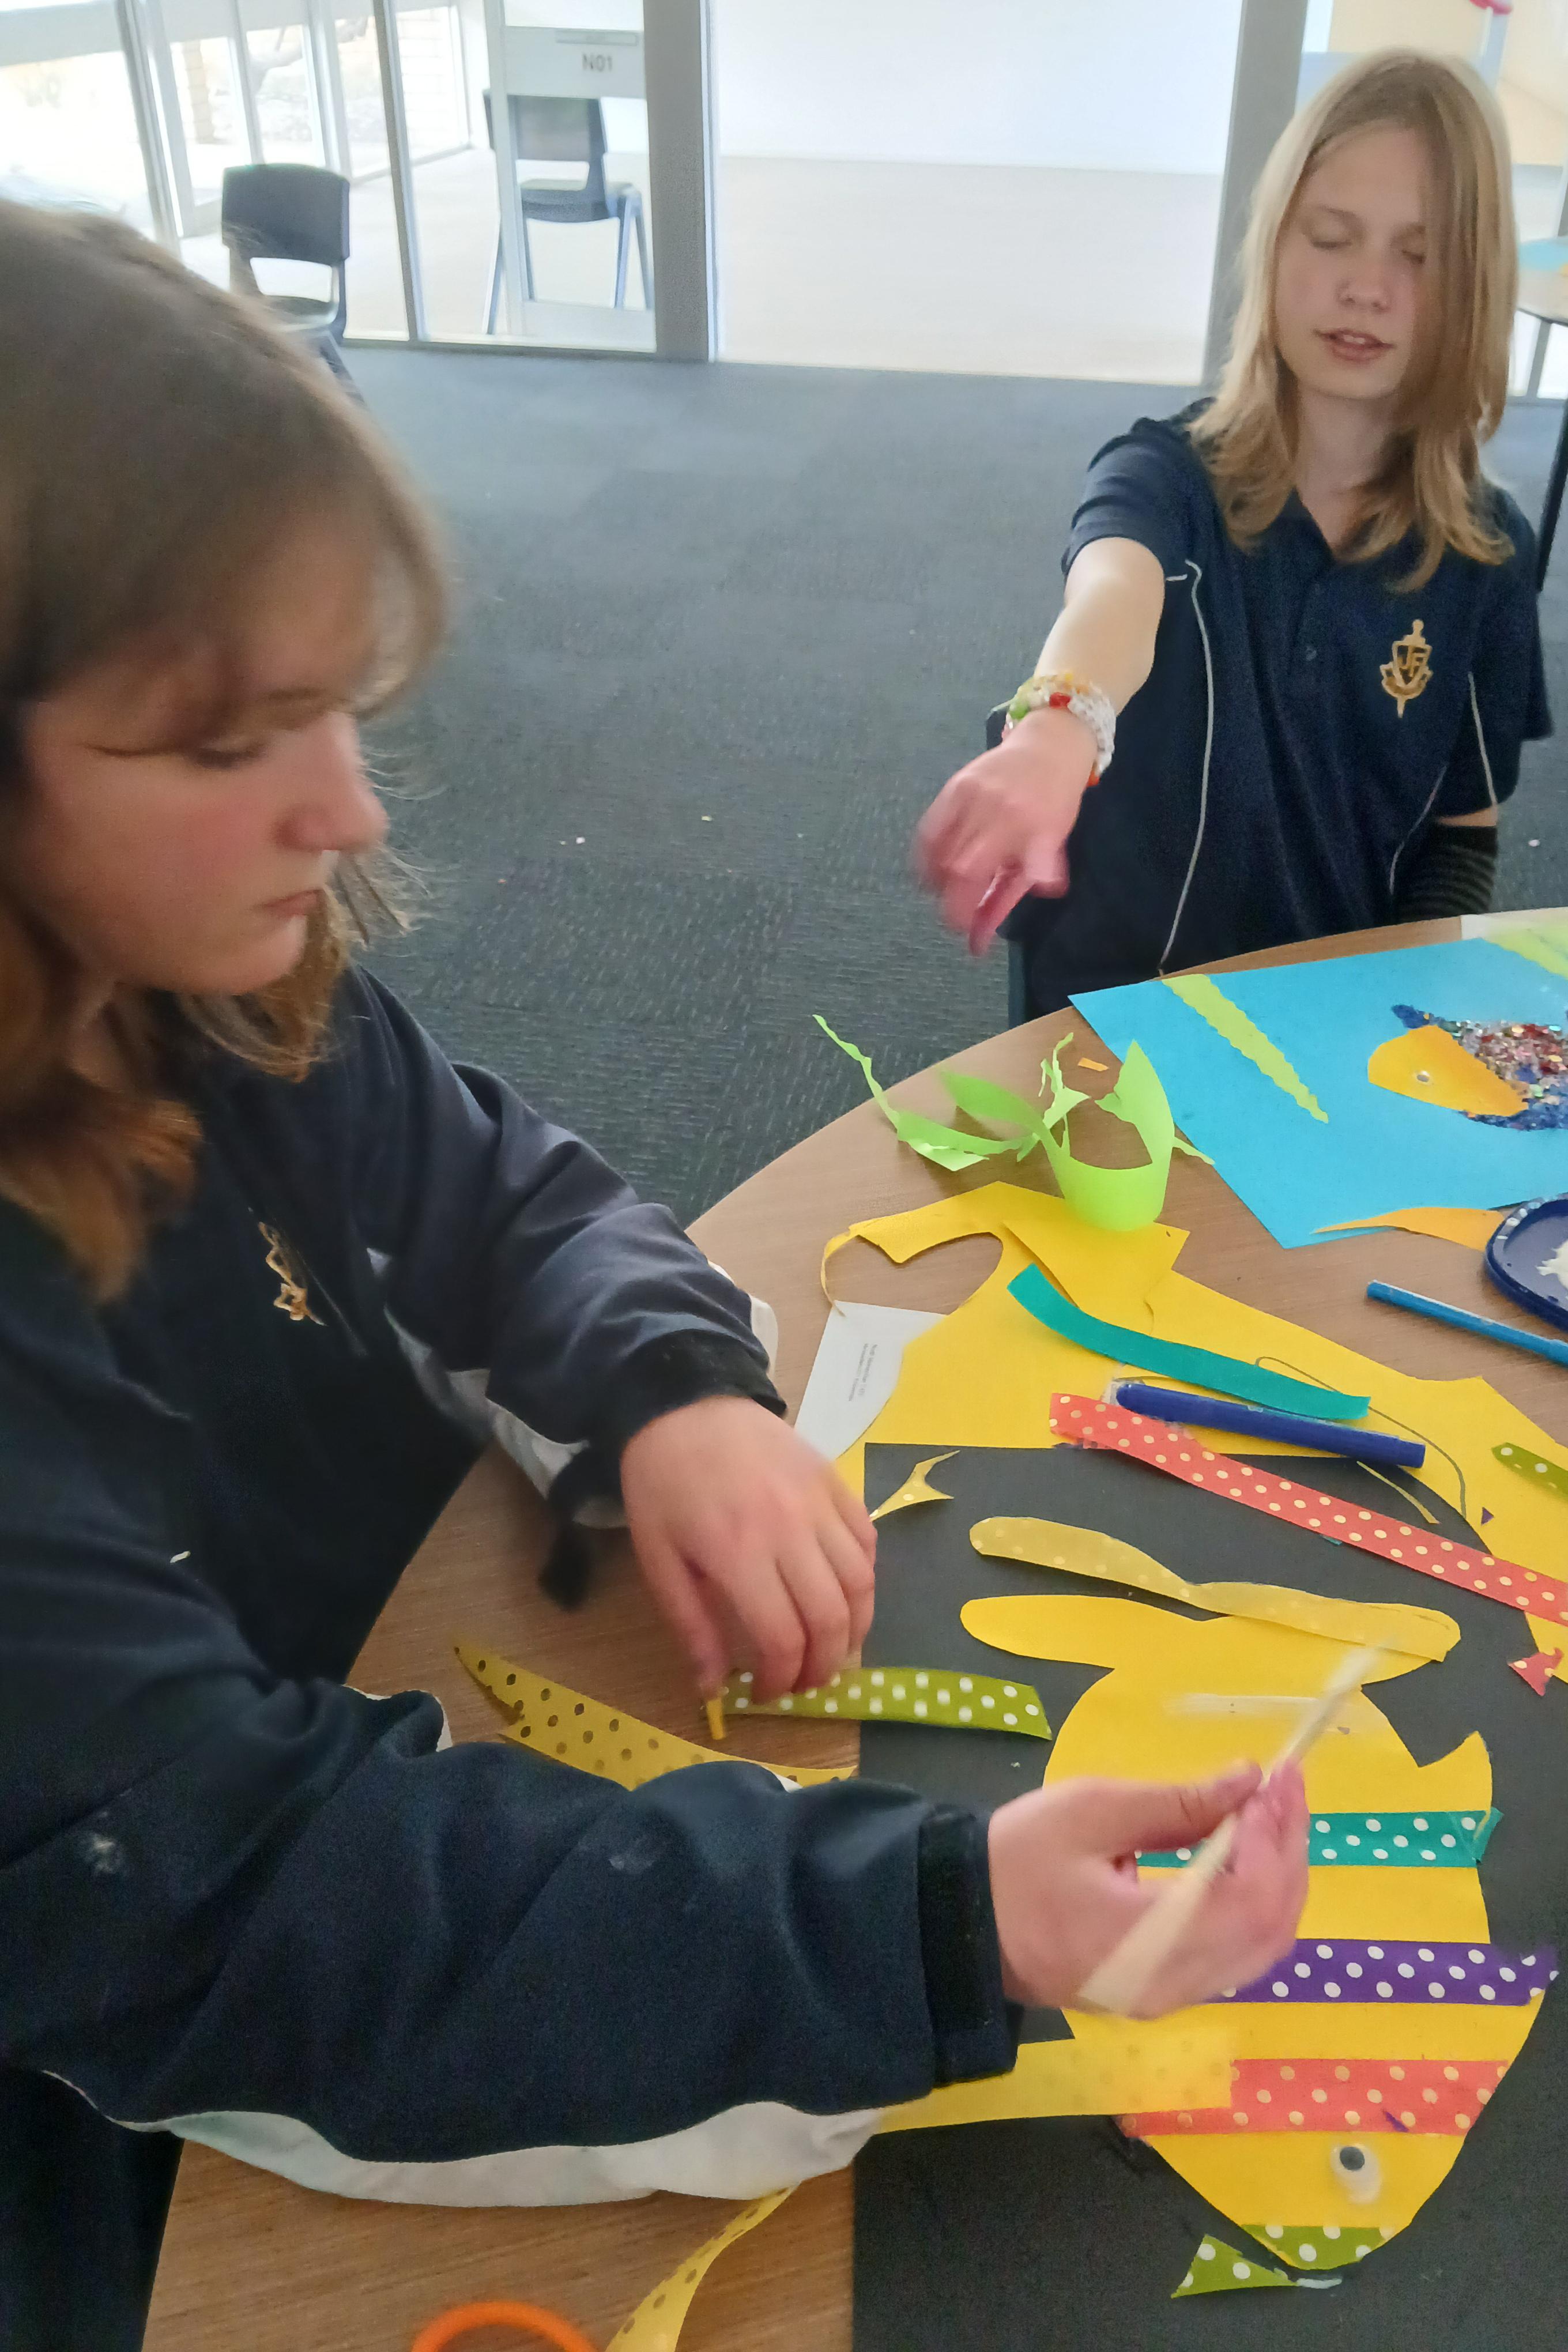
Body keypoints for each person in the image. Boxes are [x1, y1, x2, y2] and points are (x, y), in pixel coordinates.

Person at [0, 200, 1309, 2351]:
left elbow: (494, 1189)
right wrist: (936, 1930)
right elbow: (261, 1917)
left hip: (393, 1739)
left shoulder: (193, 985)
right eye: (229, 743)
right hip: (182, 2105)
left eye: (339, 711)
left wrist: (668, 1387)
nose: (349, 808)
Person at [916, 50, 1552, 1018]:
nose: (1366, 287)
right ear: (1274, 246)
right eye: (1331, 237)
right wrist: (1057, 731)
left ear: (1473, 286)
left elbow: (1462, 829)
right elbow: (1112, 594)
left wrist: (1414, 1008)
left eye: (1418, 256)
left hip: (1330, 1029)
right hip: (1121, 1016)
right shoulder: (1162, 477)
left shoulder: (1488, 558)